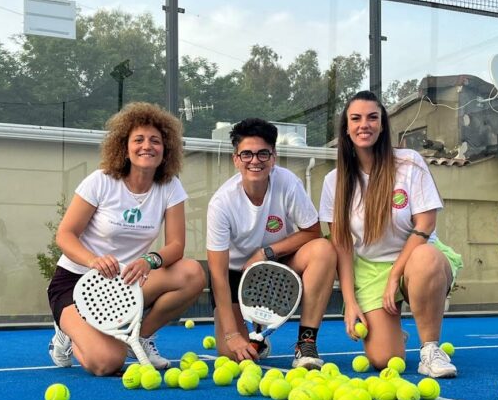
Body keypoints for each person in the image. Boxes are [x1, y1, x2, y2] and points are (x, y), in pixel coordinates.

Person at [47, 102, 206, 376]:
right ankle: (67, 332)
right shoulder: (101, 180)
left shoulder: (170, 186)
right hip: (76, 284)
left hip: (124, 284)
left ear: (165, 148)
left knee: (192, 273)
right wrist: (93, 260)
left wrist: (150, 260)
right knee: (108, 362)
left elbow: (176, 246)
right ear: (125, 146)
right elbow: (65, 234)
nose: (147, 146)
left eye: (155, 140)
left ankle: (140, 338)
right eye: (139, 140)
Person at [319, 91, 463, 378]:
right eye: (356, 118)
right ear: (346, 128)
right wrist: (349, 302)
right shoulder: (333, 181)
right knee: (384, 360)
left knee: (425, 258)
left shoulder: (409, 162)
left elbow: (425, 225)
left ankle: (430, 349)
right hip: (370, 269)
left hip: (415, 257)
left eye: (373, 117)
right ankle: (395, 334)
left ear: (382, 125)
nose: (365, 125)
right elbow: (342, 247)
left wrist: (396, 274)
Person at [207, 117, 336, 369]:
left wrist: (266, 252)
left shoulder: (287, 182)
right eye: (246, 154)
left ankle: (306, 343)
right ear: (236, 159)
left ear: (273, 156)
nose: (255, 161)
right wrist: (233, 336)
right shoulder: (221, 204)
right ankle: (255, 333)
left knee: (324, 250)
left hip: (277, 265)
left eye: (262, 153)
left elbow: (313, 232)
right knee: (233, 355)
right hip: (235, 276)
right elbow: (217, 273)